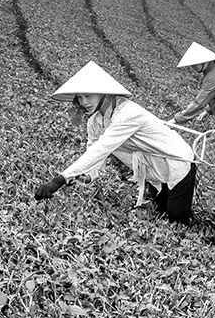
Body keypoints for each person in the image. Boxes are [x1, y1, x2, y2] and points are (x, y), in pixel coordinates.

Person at [34, 61, 197, 225]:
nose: (83, 102)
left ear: (104, 93)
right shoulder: (95, 122)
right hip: (154, 164)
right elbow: (92, 151)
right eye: (79, 98)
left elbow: (102, 148)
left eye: (88, 95)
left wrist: (60, 179)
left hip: (177, 160)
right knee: (161, 211)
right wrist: (87, 175)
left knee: (176, 216)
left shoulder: (128, 113)